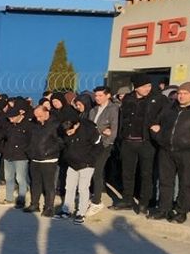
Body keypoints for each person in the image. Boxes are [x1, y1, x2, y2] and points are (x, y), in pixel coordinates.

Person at [148, 82, 190, 223]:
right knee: (165, 181)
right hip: (166, 149)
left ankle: (181, 211)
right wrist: (159, 137)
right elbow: (156, 124)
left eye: (185, 93)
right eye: (179, 93)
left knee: (186, 183)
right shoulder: (169, 107)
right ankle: (164, 209)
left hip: (188, 152)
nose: (181, 96)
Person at [115, 75, 168, 213]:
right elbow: (123, 118)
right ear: (136, 87)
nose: (147, 89)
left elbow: (165, 116)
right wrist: (121, 136)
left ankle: (144, 202)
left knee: (146, 174)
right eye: (143, 86)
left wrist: (158, 127)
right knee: (127, 173)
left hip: (146, 142)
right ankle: (127, 199)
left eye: (149, 86)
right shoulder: (128, 98)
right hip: (128, 141)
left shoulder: (159, 99)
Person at [59, 118, 102, 224]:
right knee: (69, 187)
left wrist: (89, 160)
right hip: (72, 164)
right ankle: (67, 210)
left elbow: (99, 146)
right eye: (66, 132)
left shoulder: (89, 130)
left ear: (76, 125)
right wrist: (67, 158)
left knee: (83, 188)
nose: (68, 134)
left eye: (70, 131)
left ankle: (81, 213)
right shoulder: (65, 132)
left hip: (86, 164)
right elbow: (64, 146)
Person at [84, 85, 119, 213]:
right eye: (96, 96)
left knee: (98, 171)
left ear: (108, 95)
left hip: (104, 145)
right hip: (92, 145)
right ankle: (94, 195)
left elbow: (113, 131)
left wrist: (106, 140)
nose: (97, 98)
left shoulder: (113, 109)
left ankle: (97, 201)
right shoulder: (93, 110)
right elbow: (89, 128)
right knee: (91, 171)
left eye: (100, 95)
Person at [25, 105, 63, 216]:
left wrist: (47, 152)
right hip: (35, 159)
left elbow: (61, 142)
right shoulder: (34, 125)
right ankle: (34, 204)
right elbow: (29, 140)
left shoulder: (55, 125)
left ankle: (49, 207)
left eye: (40, 116)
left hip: (49, 160)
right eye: (36, 116)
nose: (38, 119)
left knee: (49, 185)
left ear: (47, 113)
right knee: (35, 183)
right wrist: (30, 151)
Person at [1, 105, 31, 207]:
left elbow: (31, 141)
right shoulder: (9, 125)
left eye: (12, 117)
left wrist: (26, 152)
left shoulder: (28, 125)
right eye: (9, 118)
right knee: (8, 178)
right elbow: (5, 136)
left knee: (20, 178)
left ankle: (21, 200)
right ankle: (9, 198)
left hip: (21, 156)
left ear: (19, 115)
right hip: (8, 154)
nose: (10, 119)